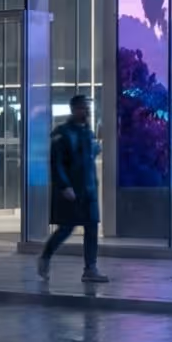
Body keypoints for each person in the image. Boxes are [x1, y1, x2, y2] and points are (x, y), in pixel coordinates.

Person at [38, 95, 108, 283]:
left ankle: (90, 268)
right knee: (66, 228)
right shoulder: (62, 133)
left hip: (89, 189)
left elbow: (90, 156)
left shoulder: (88, 132)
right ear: (74, 109)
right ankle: (45, 256)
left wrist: (97, 147)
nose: (86, 112)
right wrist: (64, 186)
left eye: (88, 108)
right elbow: (57, 163)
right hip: (72, 190)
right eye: (83, 108)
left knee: (91, 228)